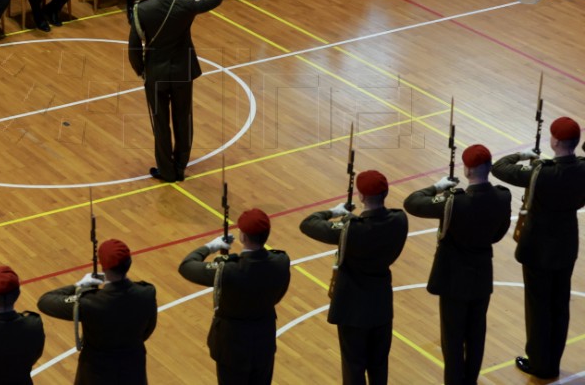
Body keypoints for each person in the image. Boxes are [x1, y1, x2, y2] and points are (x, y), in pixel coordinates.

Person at [404, 144, 511, 385]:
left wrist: (438, 187)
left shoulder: (454, 202)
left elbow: (412, 202)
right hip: (482, 275)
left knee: (452, 340)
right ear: (489, 168)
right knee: (476, 336)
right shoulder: (502, 196)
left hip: (453, 278)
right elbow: (498, 233)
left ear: (466, 169)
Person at [491, 116, 585, 379]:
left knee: (538, 307)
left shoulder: (539, 172)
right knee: (559, 305)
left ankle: (540, 363)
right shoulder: (582, 169)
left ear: (554, 141)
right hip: (566, 243)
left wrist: (523, 154)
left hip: (538, 246)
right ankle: (553, 360)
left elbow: (500, 167)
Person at [300, 170, 408, 385]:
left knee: (353, 368)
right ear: (385, 193)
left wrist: (335, 212)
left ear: (360, 196)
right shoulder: (399, 220)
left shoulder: (351, 230)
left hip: (352, 307)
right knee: (379, 366)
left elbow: (308, 223)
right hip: (380, 304)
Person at [127, 0, 220, 182]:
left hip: (155, 73)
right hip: (182, 71)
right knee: (183, 120)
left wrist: (142, 71)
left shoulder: (143, 9)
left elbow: (133, 48)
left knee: (160, 124)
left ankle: (167, 171)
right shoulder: (185, 6)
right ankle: (180, 167)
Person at [179, 208, 291, 384]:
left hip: (232, 345)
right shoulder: (281, 261)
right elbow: (279, 294)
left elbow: (186, 266)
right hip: (263, 341)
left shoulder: (228, 270)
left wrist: (211, 246)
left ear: (243, 237)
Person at [37, 239, 157, 384]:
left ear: (103, 267)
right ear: (129, 263)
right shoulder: (147, 292)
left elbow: (45, 301)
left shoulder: (89, 303)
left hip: (96, 374)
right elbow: (148, 329)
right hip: (133, 370)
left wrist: (78, 285)